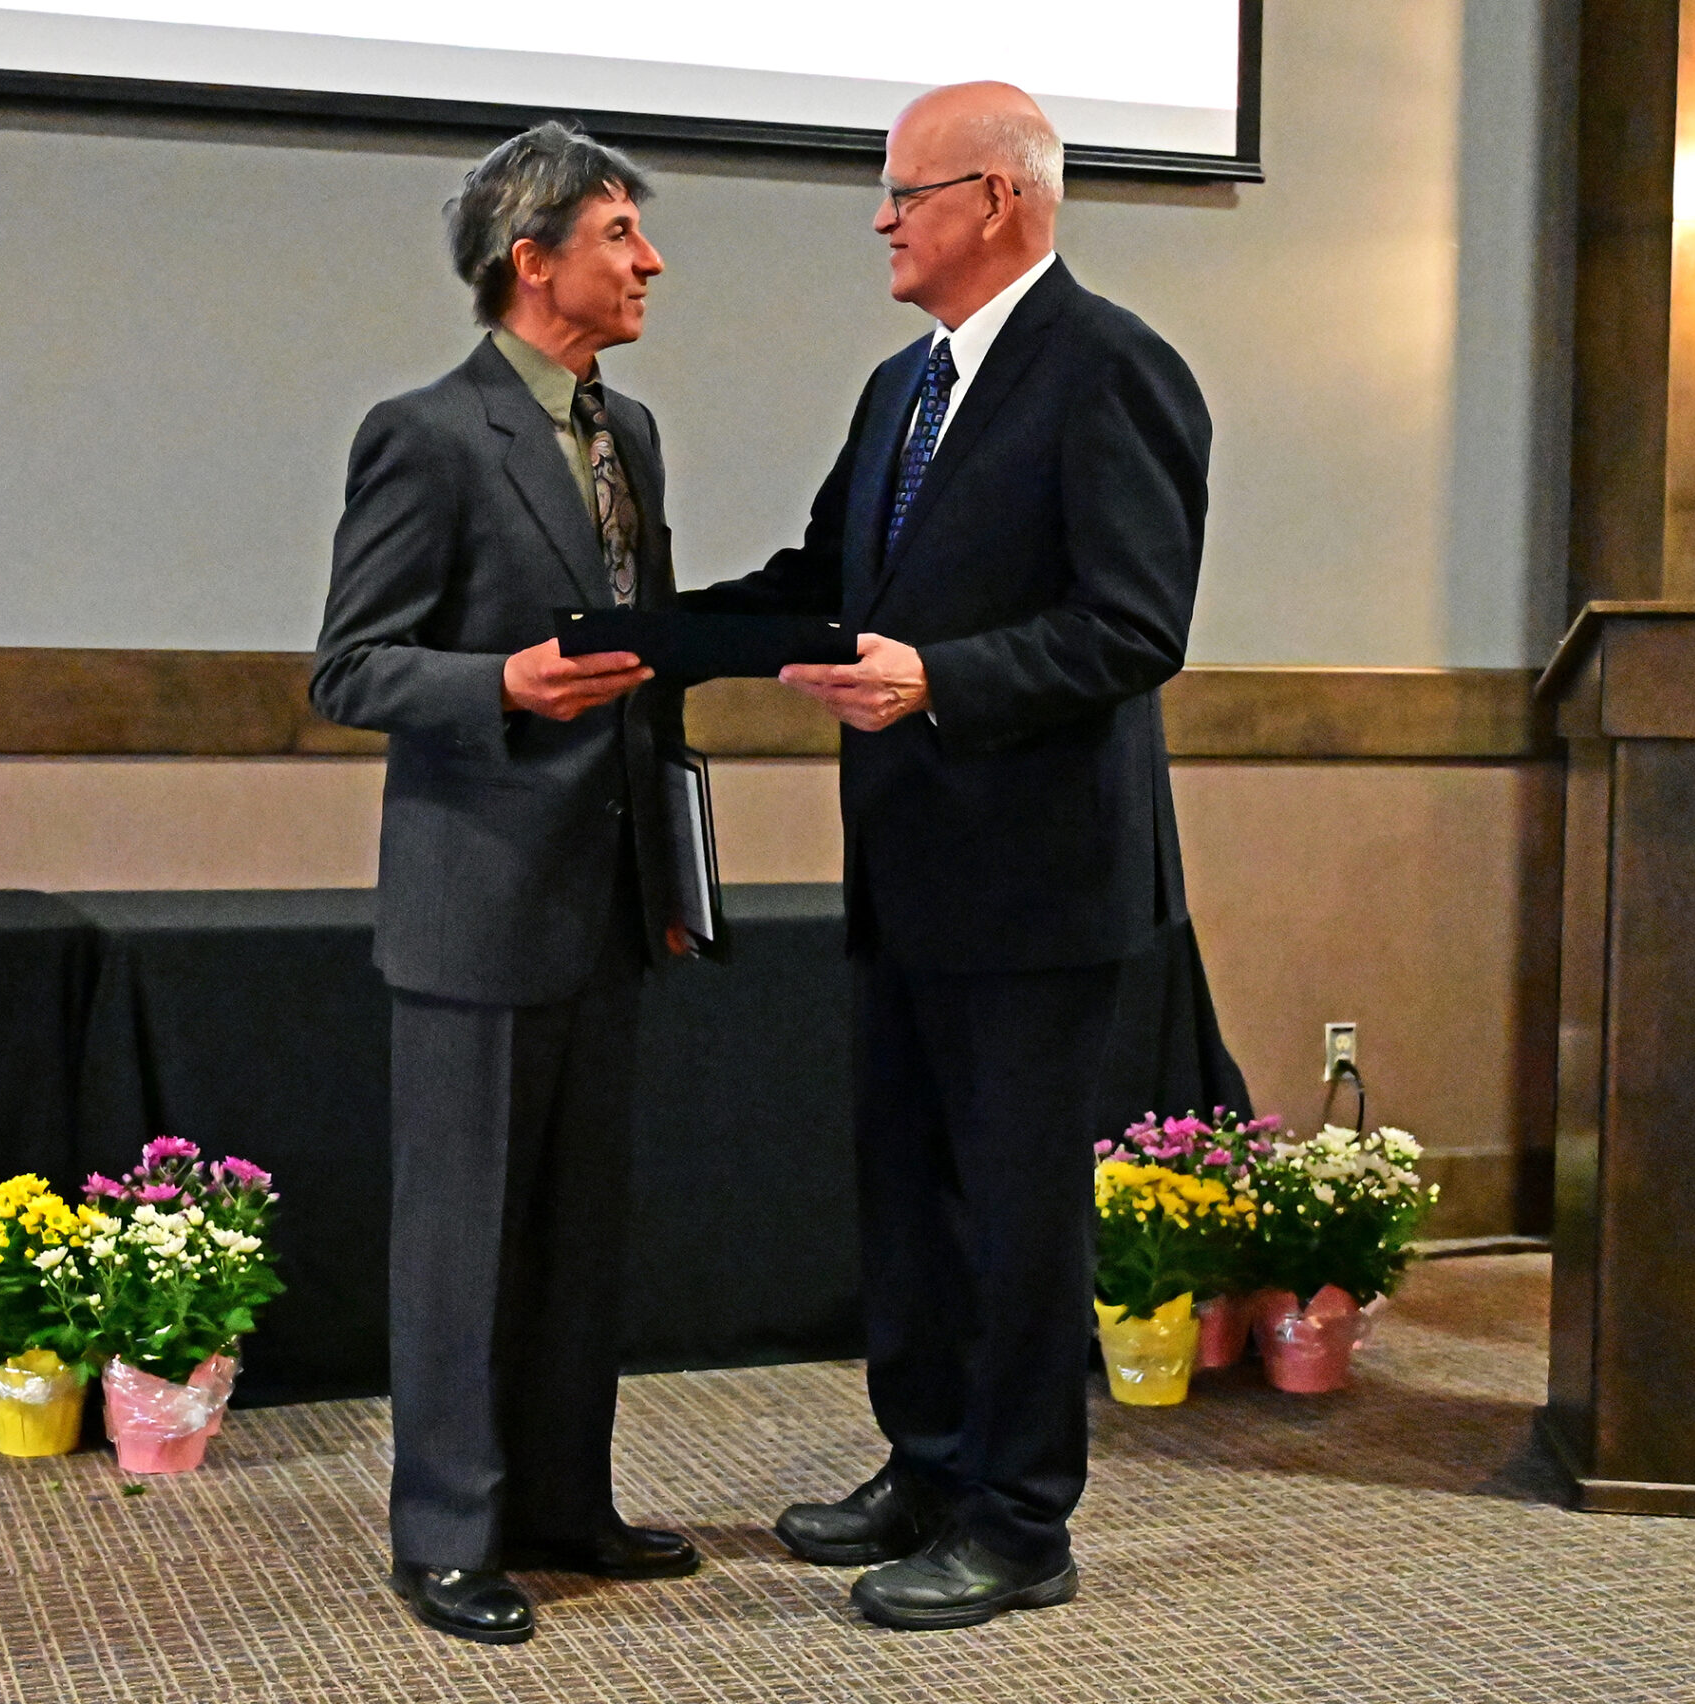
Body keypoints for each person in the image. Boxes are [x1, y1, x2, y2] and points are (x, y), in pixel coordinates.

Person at [681, 82, 1212, 1628]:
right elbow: (818, 577)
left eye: (905, 193)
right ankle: (926, 1465)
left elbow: (1134, 627)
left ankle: (1022, 1519)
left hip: (1042, 885)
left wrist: (942, 681)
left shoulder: (1114, 369)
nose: (882, 220)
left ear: (996, 199)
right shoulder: (899, 390)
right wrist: (645, 638)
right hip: (907, 871)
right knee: (909, 1193)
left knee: (1018, 1210)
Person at [309, 121, 704, 1646]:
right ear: (528, 261)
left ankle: (560, 1503)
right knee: (465, 1236)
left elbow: (650, 663)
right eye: (619, 234)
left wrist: (672, 872)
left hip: (604, 900)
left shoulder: (632, 431)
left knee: (576, 1227)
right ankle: (448, 1536)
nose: (649, 259)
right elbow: (352, 665)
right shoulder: (423, 433)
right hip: (475, 905)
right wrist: (506, 687)